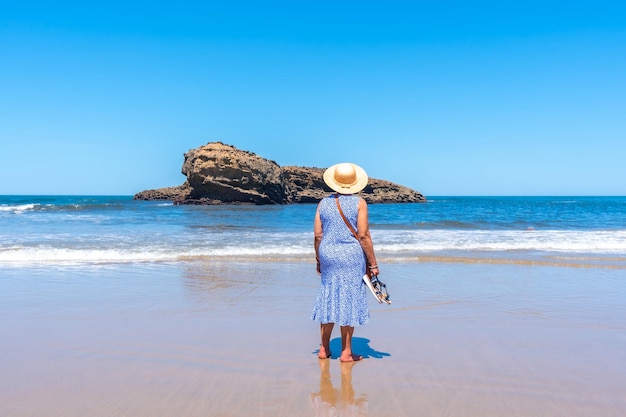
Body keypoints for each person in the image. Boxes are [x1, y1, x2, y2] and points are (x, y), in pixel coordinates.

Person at [311, 162, 380, 362]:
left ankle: (324, 349)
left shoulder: (323, 203)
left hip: (328, 255)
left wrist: (318, 259)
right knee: (349, 299)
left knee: (329, 298)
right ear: (355, 183)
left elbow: (317, 235)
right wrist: (373, 264)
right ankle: (347, 352)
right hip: (351, 256)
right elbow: (364, 235)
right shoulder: (360, 203)